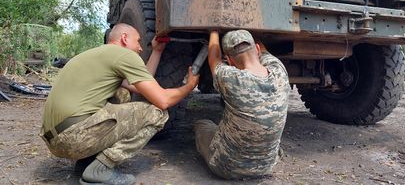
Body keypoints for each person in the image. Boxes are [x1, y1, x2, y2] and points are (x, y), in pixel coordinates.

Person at [40, 23, 199, 185]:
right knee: (157, 113)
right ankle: (100, 169)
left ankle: (87, 161)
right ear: (124, 38)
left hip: (55, 140)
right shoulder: (124, 55)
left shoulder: (97, 55)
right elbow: (163, 100)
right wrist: (189, 86)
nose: (141, 48)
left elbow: (140, 83)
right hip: (74, 138)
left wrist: (157, 51)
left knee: (121, 94)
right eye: (138, 41)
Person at [194, 29, 290, 179]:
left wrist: (213, 30)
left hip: (226, 168)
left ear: (229, 60)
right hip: (266, 167)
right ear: (257, 49)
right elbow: (263, 50)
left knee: (203, 124)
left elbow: (214, 59)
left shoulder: (231, 78)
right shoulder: (280, 72)